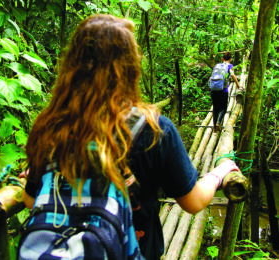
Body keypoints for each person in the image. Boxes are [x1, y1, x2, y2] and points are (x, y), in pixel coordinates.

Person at [20, 14, 240, 260]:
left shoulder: (51, 126)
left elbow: (31, 199)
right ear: (131, 67)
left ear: (73, 64)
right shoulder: (155, 130)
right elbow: (193, 202)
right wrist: (218, 174)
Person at [211, 52, 241, 132]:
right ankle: (218, 122)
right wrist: (238, 85)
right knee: (224, 107)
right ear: (230, 59)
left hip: (213, 90)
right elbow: (232, 75)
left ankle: (214, 128)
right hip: (223, 90)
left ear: (222, 59)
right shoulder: (230, 66)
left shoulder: (216, 66)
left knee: (215, 108)